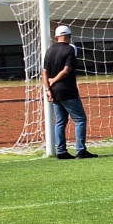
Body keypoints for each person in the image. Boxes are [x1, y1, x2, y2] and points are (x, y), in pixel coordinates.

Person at [43, 25, 97, 159]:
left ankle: (61, 151)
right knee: (80, 119)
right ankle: (80, 150)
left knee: (60, 121)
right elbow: (67, 70)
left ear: (56, 37)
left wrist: (48, 88)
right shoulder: (70, 49)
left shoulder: (49, 50)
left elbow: (44, 72)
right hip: (67, 90)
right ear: (69, 36)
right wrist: (54, 80)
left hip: (54, 91)